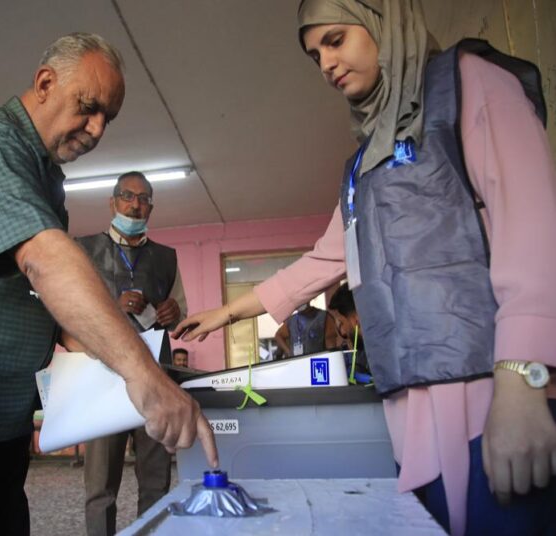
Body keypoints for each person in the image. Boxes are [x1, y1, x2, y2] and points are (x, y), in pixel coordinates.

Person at [173, 2, 556, 534]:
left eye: (335, 40)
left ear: (383, 21)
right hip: (408, 394)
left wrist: (523, 380)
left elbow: (534, 226)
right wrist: (228, 312)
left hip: (492, 383)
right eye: (315, 56)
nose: (327, 63)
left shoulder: (472, 84)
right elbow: (327, 258)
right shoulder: (362, 163)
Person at [0, 33, 217, 536]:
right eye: (88, 107)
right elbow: (45, 263)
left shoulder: (46, 176)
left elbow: (28, 294)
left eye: (107, 118)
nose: (95, 129)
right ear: (45, 83)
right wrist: (144, 376)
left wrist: (90, 347)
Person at [72, 171, 187, 536]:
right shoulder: (84, 250)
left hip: (155, 380)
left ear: (151, 206)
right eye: (128, 196)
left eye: (144, 198)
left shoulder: (166, 258)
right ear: (112, 202)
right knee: (100, 488)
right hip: (104, 381)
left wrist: (173, 312)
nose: (135, 205)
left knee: (155, 481)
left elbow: (180, 310)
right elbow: (69, 312)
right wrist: (112, 305)